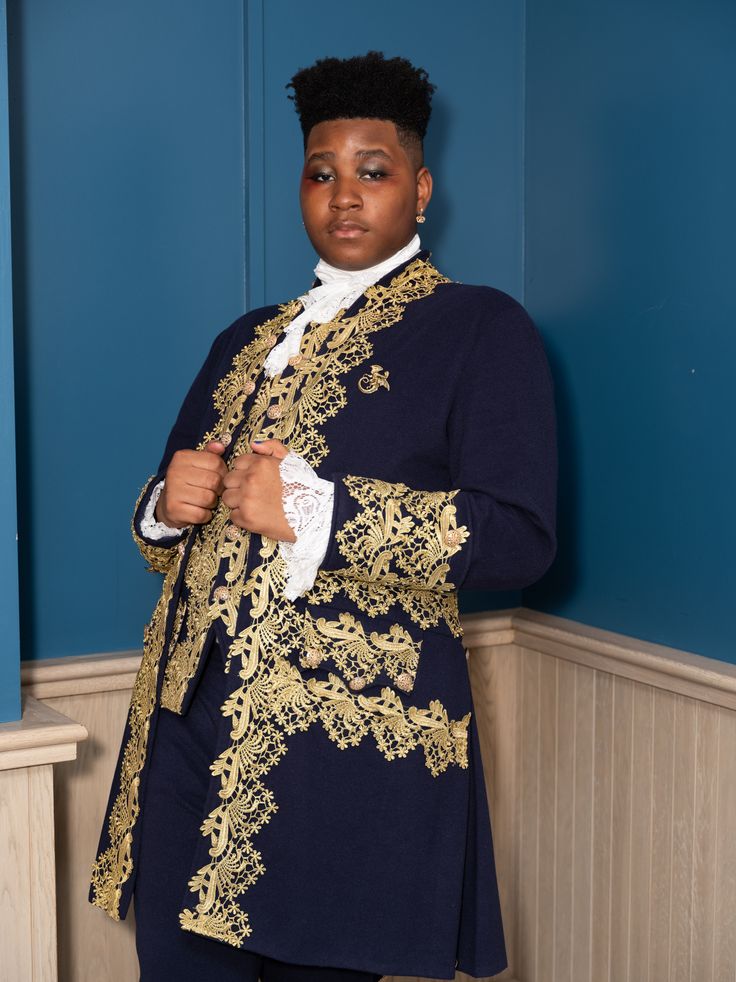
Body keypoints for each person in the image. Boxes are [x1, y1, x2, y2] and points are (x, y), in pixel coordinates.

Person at [89, 51, 557, 981]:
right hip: (184, 731)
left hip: (341, 754)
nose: (345, 196)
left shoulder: (479, 327)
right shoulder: (246, 337)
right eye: (322, 173)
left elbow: (520, 537)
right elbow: (174, 527)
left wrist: (320, 512)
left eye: (372, 171)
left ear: (419, 189)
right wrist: (164, 509)